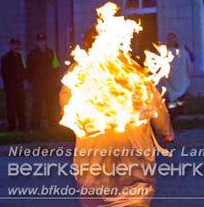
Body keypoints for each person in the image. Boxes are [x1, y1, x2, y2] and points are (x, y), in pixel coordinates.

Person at [60, 28, 175, 207]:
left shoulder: (77, 71)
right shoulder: (131, 68)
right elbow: (155, 102)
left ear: (86, 45)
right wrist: (165, 131)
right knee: (134, 191)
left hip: (96, 149)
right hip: (131, 145)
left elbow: (66, 103)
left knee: (97, 191)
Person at [27, 33, 60, 129]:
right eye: (40, 41)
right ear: (37, 42)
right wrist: (32, 81)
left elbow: (56, 66)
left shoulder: (51, 53)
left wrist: (54, 79)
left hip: (49, 83)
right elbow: (29, 69)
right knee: (37, 104)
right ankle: (35, 125)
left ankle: (53, 125)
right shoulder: (32, 54)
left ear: (45, 41)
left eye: (43, 41)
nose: (42, 43)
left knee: (51, 104)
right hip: (38, 83)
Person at [162, 32, 191, 116]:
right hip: (169, 80)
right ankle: (172, 114)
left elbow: (190, 59)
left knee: (181, 98)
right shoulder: (163, 50)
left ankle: (180, 111)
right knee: (171, 99)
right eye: (169, 38)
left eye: (172, 38)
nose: (170, 40)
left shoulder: (183, 49)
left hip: (181, 78)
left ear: (175, 39)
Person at [0, 38, 27, 131]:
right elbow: (4, 73)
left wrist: (22, 78)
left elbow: (24, 69)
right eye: (14, 44)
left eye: (17, 44)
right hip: (11, 87)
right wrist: (9, 84)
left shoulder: (20, 57)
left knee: (21, 106)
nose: (16, 46)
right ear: (11, 46)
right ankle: (11, 126)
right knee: (11, 108)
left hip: (19, 86)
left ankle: (22, 126)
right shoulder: (6, 58)